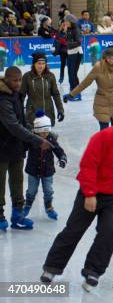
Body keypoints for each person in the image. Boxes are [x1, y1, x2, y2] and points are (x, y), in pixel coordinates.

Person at [40, 104, 113, 292]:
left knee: (108, 233)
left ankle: (93, 271)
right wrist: (90, 193)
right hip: (92, 191)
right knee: (73, 231)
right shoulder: (104, 137)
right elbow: (88, 165)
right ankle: (52, 267)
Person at [0, 67, 53, 232]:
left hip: (16, 148)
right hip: (1, 149)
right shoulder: (2, 100)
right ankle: (0, 215)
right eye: (14, 80)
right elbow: (13, 126)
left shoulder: (15, 95)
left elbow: (21, 122)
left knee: (17, 183)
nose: (18, 83)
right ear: (6, 80)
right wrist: (37, 140)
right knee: (0, 184)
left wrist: (36, 131)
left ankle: (17, 215)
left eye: (19, 80)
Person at [63, 47, 113, 131]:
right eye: (109, 58)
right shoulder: (98, 67)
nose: (111, 60)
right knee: (104, 132)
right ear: (105, 57)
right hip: (102, 102)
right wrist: (71, 94)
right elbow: (85, 83)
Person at [23, 111, 67, 220]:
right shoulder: (32, 139)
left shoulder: (51, 139)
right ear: (37, 131)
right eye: (42, 132)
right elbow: (23, 147)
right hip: (33, 170)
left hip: (48, 171)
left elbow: (59, 151)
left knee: (48, 190)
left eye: (47, 131)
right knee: (31, 191)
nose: (45, 134)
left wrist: (62, 158)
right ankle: (27, 205)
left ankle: (49, 207)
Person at [20, 52, 64, 126]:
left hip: (48, 113)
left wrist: (60, 110)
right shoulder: (27, 77)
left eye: (43, 63)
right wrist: (19, 113)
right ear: (34, 64)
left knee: (47, 136)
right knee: (34, 136)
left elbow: (56, 95)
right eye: (39, 63)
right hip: (33, 114)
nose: (41, 66)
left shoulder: (50, 76)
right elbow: (21, 96)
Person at [64, 14, 83, 99]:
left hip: (77, 53)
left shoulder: (76, 30)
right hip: (70, 53)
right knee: (70, 73)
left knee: (73, 73)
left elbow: (79, 42)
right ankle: (72, 92)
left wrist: (68, 44)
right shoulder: (68, 29)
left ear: (71, 21)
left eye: (66, 21)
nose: (65, 22)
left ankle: (77, 94)